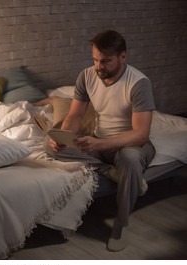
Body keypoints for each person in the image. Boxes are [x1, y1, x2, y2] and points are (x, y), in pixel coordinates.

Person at [44, 30, 156, 252]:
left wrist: (98, 145)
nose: (98, 66)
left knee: (130, 158)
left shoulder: (138, 83)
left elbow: (141, 134)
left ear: (123, 57)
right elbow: (75, 116)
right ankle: (111, 171)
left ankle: (121, 225)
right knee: (50, 147)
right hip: (100, 141)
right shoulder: (86, 76)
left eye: (105, 61)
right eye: (95, 59)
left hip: (130, 144)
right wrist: (64, 138)